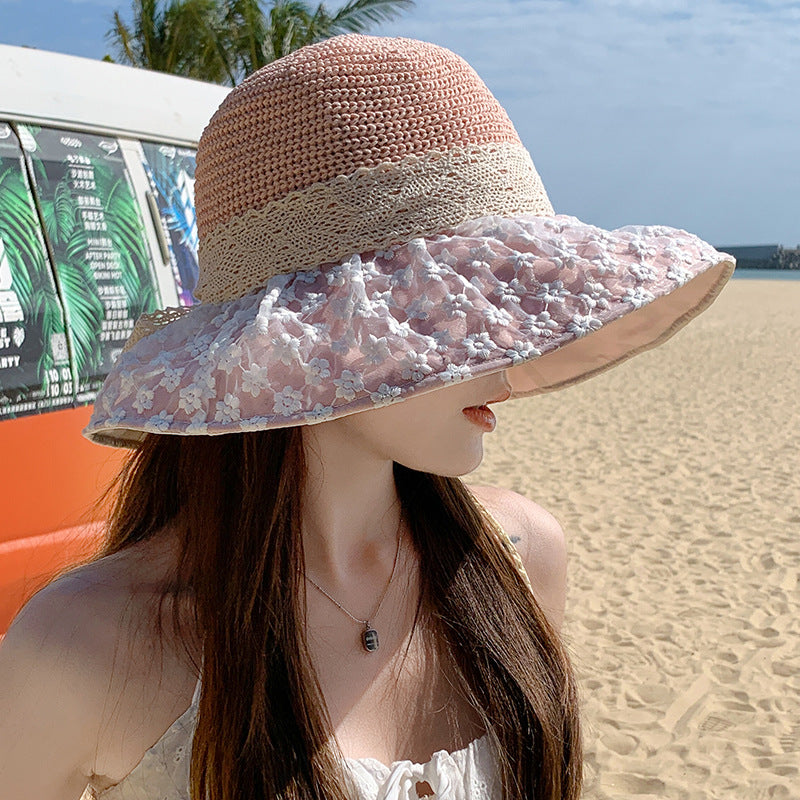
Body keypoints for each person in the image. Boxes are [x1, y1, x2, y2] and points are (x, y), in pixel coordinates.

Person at [0, 34, 733, 800]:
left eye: (504, 304)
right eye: (458, 308)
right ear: (330, 337)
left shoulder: (520, 562)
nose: (503, 359)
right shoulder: (85, 646)